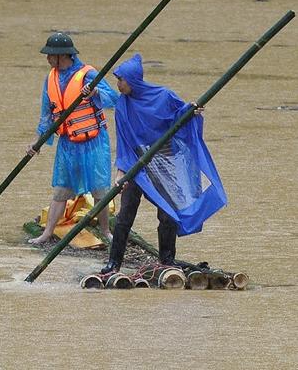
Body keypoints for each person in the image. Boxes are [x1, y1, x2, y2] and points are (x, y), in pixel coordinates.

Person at [101, 53, 227, 273]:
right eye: (118, 80)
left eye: (121, 80)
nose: (118, 85)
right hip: (135, 165)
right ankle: (114, 263)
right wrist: (120, 172)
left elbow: (181, 116)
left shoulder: (163, 96)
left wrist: (192, 111)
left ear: (133, 80)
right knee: (125, 216)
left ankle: (167, 260)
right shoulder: (123, 105)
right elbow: (123, 140)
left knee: (168, 213)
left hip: (163, 163)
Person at [26, 32, 119, 245]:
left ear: (63, 56)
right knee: (61, 190)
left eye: (51, 55)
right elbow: (46, 115)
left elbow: (113, 99)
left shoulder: (88, 74)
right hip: (68, 144)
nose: (48, 59)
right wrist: (37, 142)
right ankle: (47, 233)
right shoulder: (50, 78)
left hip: (94, 142)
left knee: (100, 189)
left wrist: (95, 92)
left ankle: (105, 230)